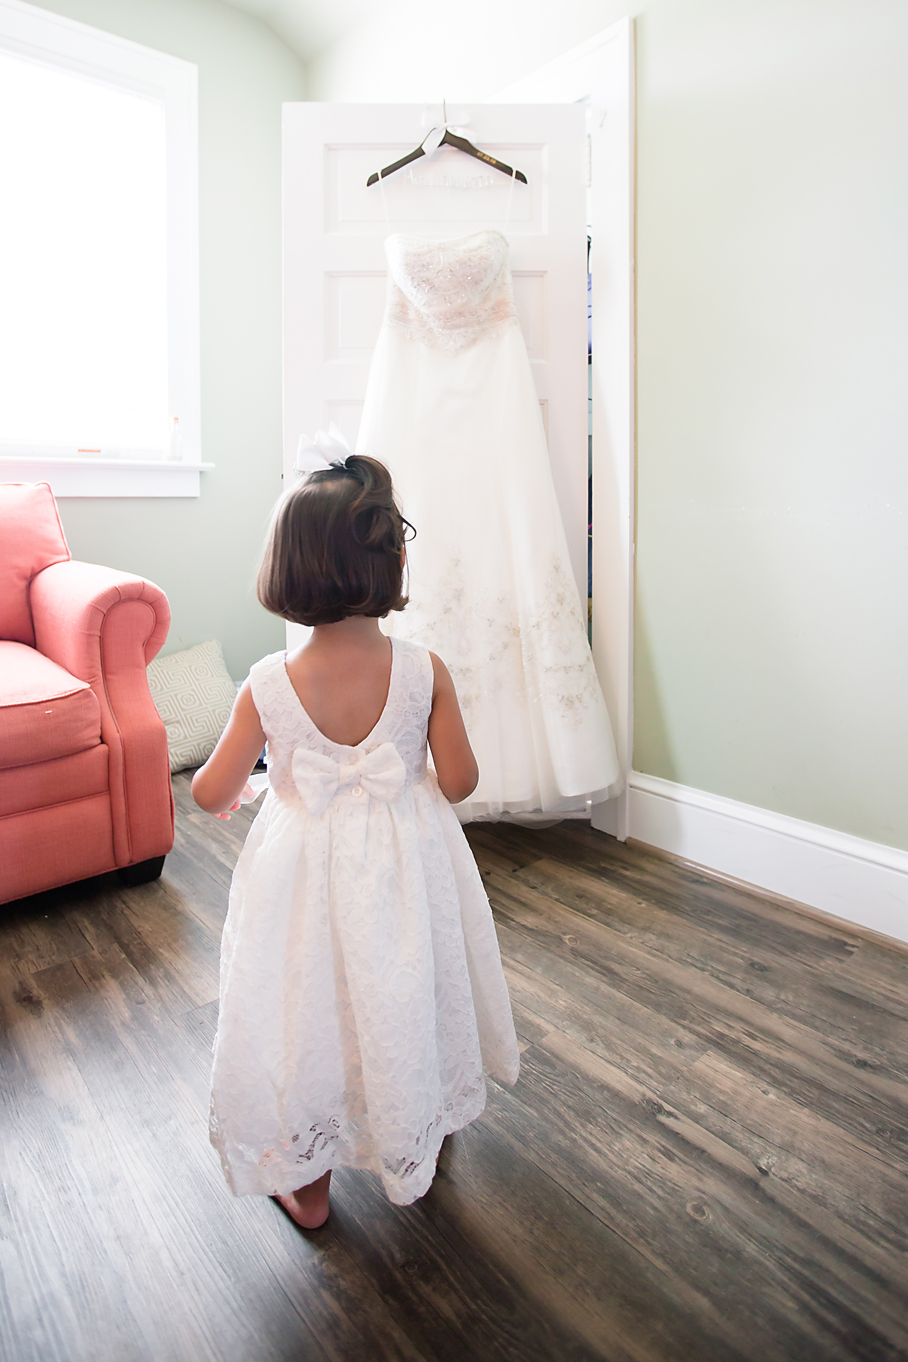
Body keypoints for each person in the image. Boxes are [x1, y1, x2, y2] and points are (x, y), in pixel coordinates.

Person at [192, 453, 520, 1230]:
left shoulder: (266, 683)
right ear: (395, 561)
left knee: (307, 1003)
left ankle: (308, 1186)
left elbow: (208, 793)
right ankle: (419, 1125)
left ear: (284, 569)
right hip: (409, 866)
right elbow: (461, 781)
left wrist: (248, 787)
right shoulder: (425, 671)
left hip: (300, 875)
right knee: (408, 982)